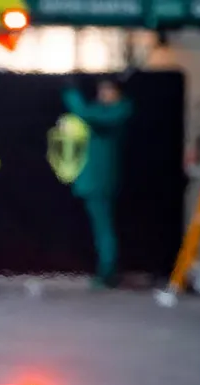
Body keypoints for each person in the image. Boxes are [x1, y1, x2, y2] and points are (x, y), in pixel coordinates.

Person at [61, 77, 134, 288]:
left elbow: (84, 113)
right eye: (101, 90)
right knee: (100, 227)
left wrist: (71, 94)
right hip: (94, 179)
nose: (102, 94)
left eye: (107, 90)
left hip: (101, 180)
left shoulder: (119, 111)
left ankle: (107, 272)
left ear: (118, 92)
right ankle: (106, 270)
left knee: (104, 227)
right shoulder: (106, 111)